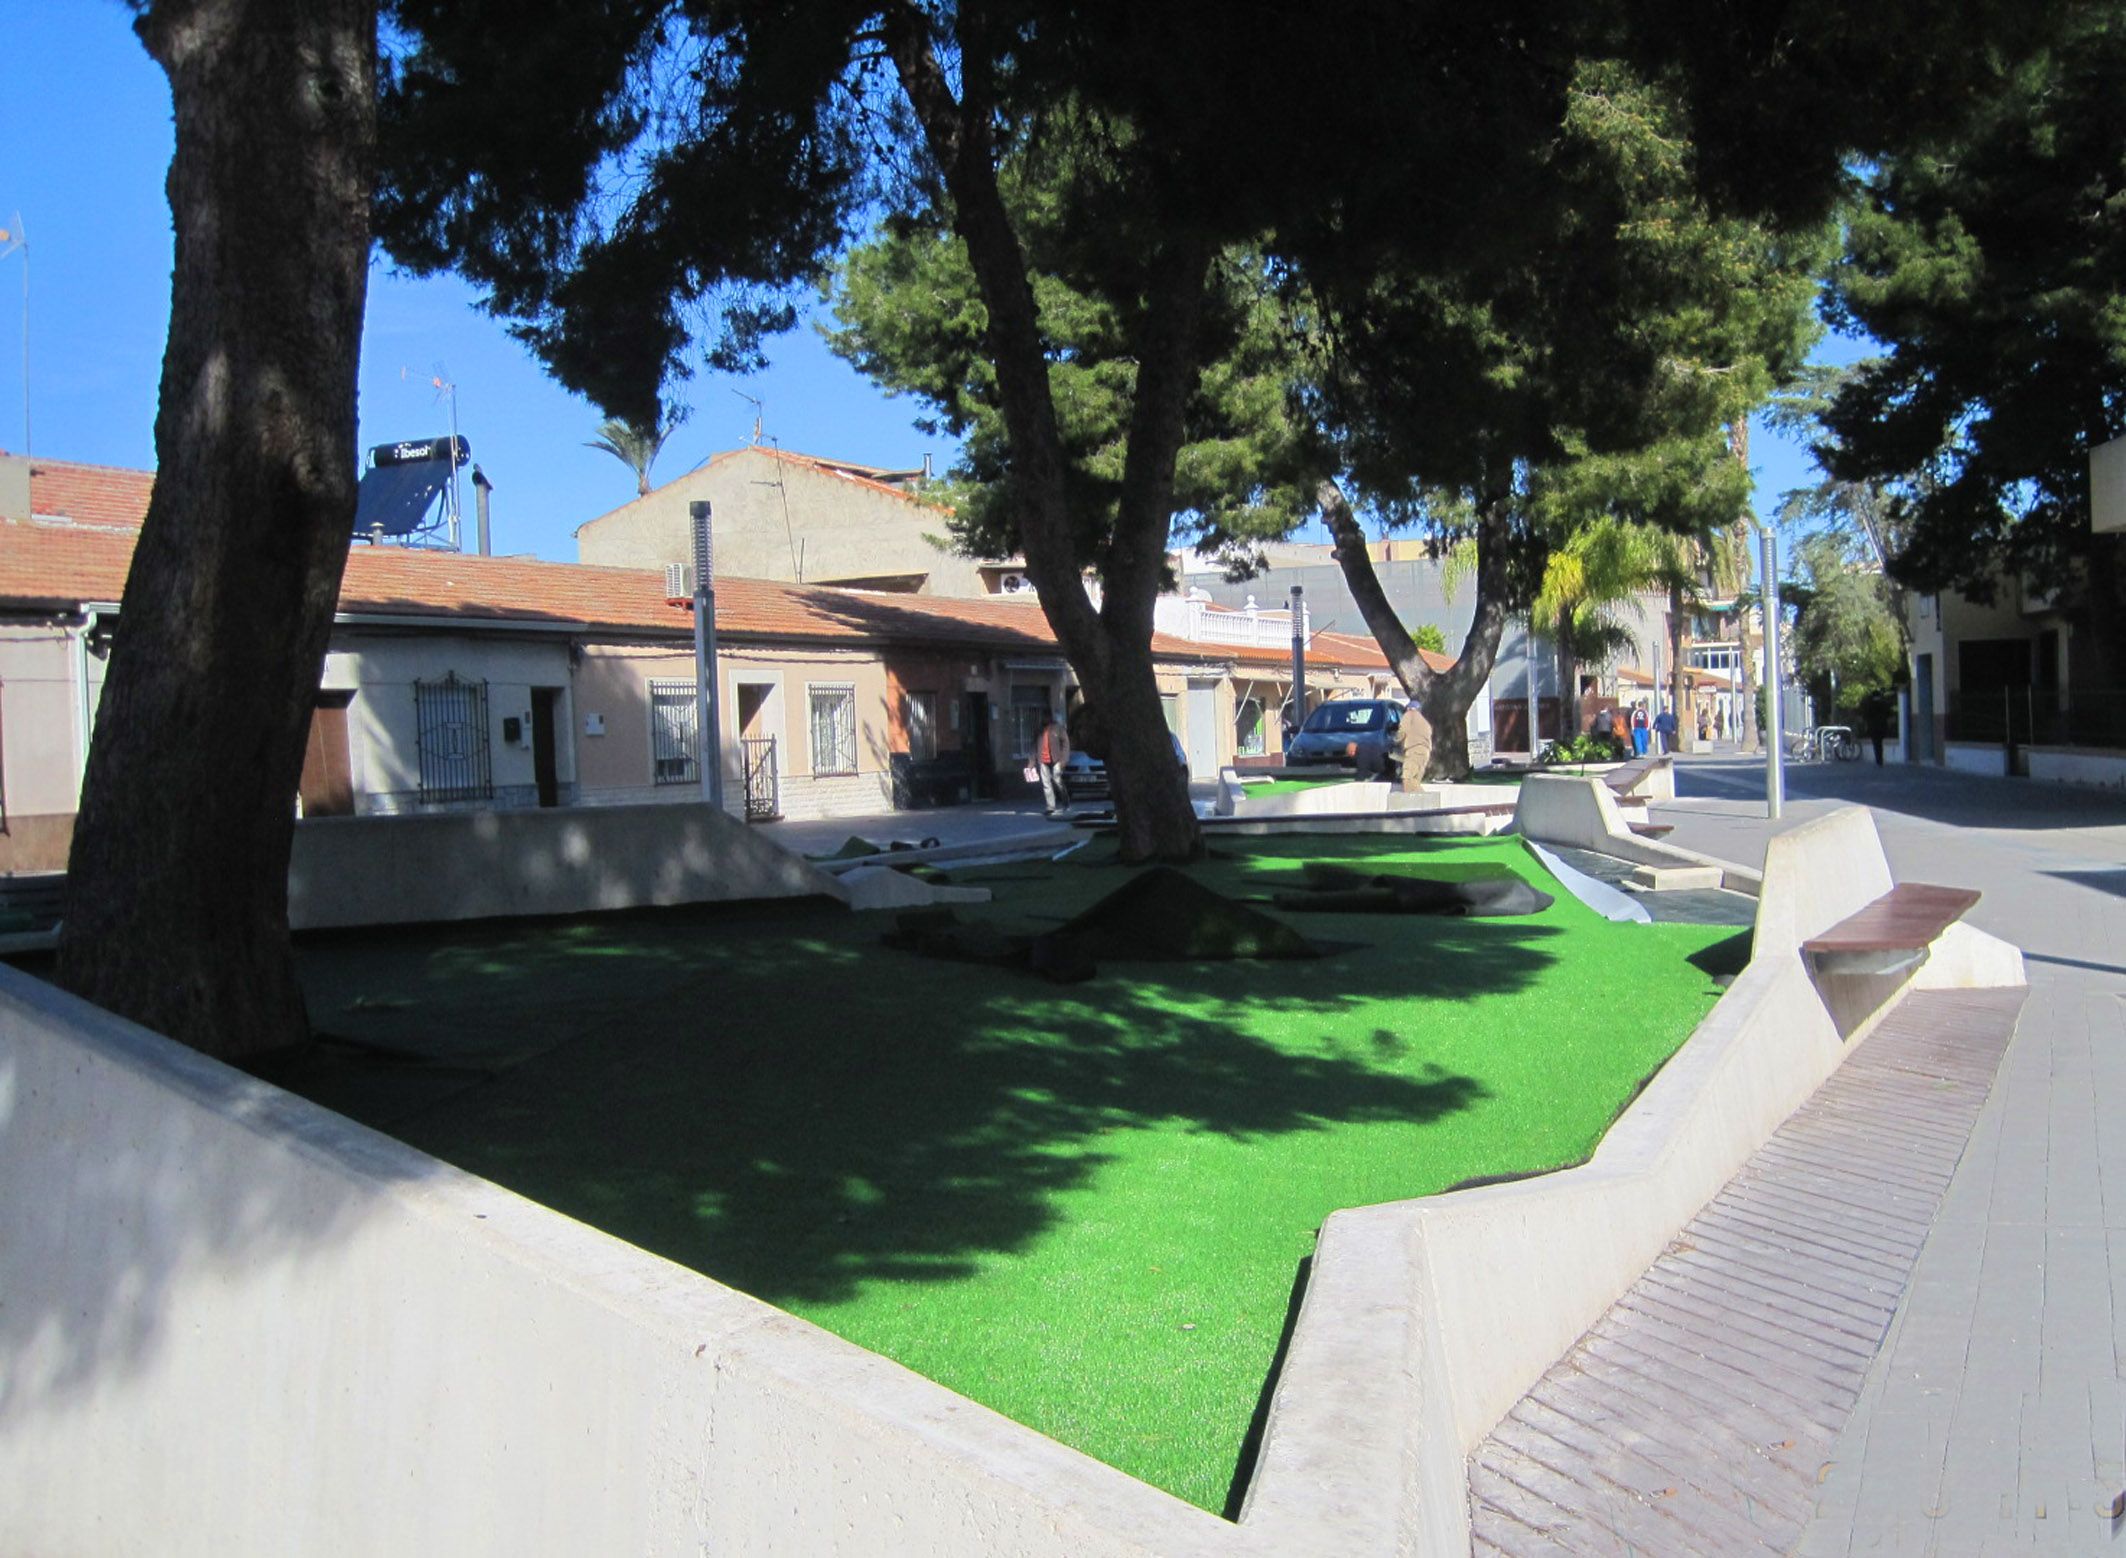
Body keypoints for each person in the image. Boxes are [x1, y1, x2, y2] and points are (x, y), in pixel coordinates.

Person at [1035, 712, 1072, 815]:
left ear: (1050, 718)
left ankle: (1066, 803)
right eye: (1043, 717)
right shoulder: (1039, 730)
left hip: (1057, 759)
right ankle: (1050, 807)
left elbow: (1066, 743)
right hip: (1043, 760)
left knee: (1057, 780)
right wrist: (1032, 761)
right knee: (1046, 784)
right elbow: (1034, 746)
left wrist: (1064, 759)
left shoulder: (1058, 728)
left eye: (1046, 717)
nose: (1044, 719)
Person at [1395, 704, 1434, 792]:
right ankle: (1423, 803)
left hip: (1414, 751)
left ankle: (1424, 801)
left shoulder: (1409, 715)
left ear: (1409, 708)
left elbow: (1402, 732)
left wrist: (1394, 740)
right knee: (1415, 781)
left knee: (1407, 779)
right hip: (1424, 754)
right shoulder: (1425, 722)